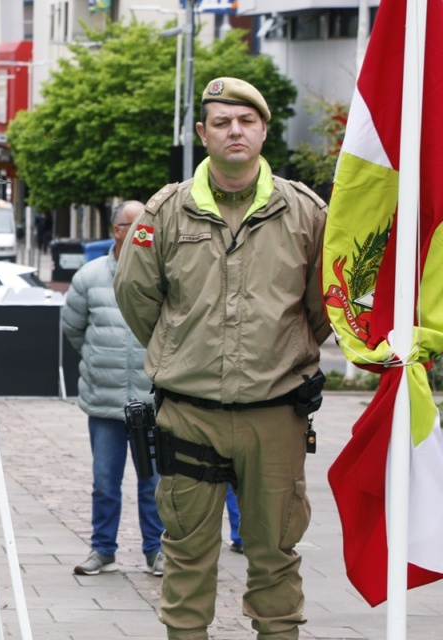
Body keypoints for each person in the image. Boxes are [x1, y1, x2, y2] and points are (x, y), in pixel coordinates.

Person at [115, 78, 330, 640]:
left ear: (263, 130)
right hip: (189, 414)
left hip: (276, 416)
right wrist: (186, 352)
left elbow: (322, 305)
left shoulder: (305, 213)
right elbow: (137, 299)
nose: (235, 130)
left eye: (247, 120)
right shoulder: (166, 213)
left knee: (276, 556)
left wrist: (278, 357)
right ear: (202, 133)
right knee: (187, 558)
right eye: (222, 121)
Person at [61, 200, 164, 578]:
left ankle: (157, 550)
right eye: (132, 225)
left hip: (151, 400)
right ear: (116, 230)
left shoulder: (162, 275)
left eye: (146, 225)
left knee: (153, 482)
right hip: (104, 402)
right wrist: (98, 360)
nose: (141, 232)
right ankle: (103, 549)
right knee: (105, 482)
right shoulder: (88, 277)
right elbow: (73, 329)